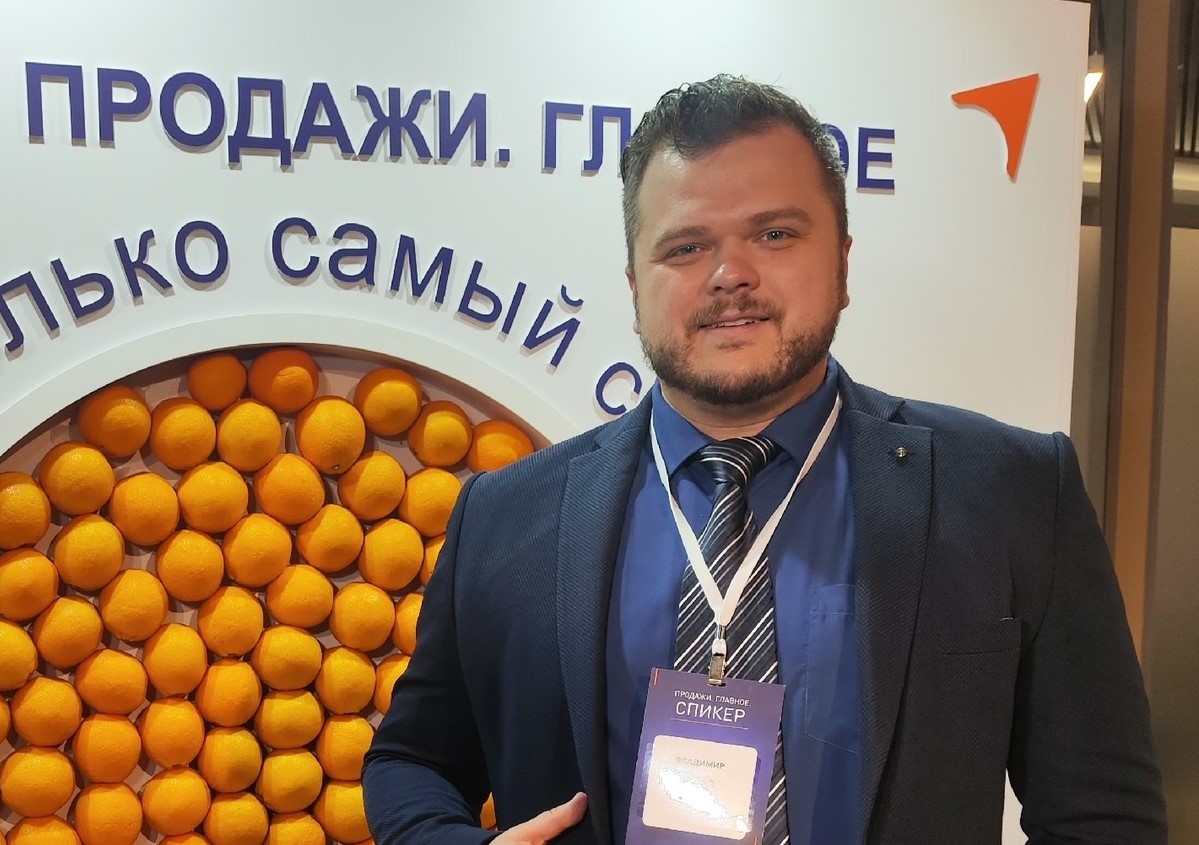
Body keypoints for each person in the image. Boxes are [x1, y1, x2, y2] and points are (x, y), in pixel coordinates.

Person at [362, 75, 1166, 845]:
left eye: (774, 234)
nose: (730, 275)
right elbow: (413, 760)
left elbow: (1102, 815)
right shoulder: (506, 516)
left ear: (842, 263)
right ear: (634, 284)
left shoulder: (1007, 491)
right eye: (685, 246)